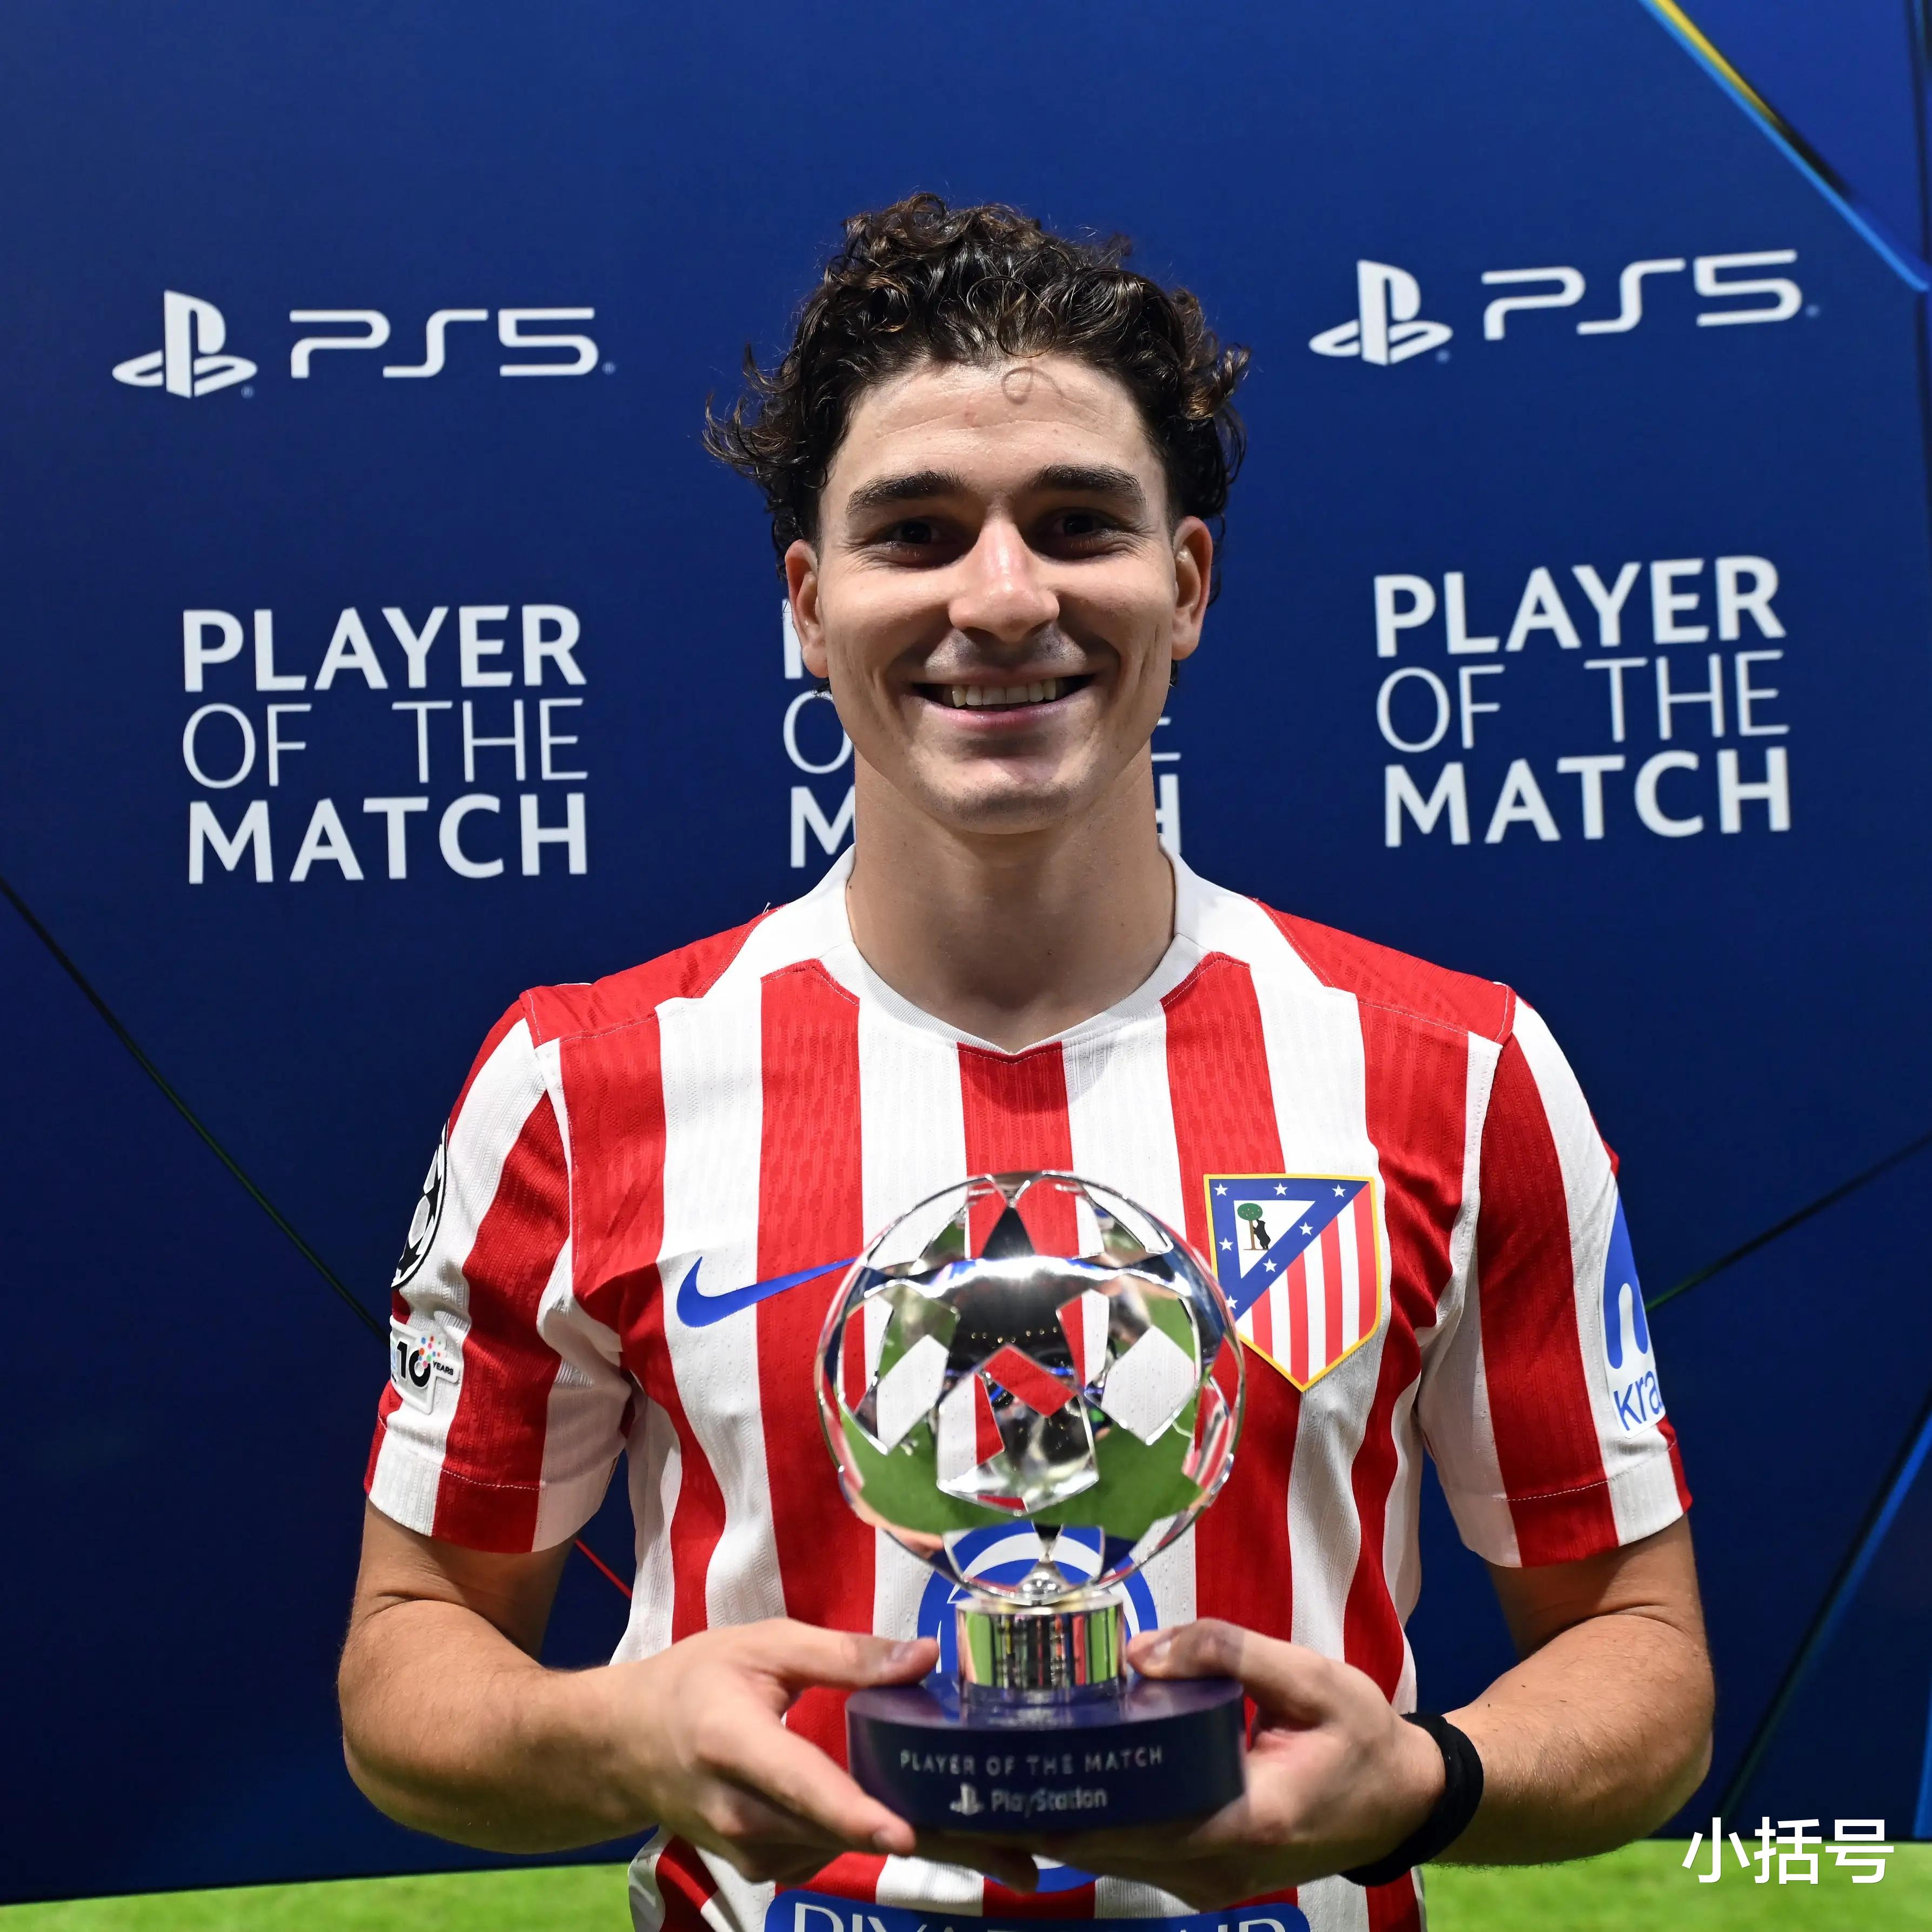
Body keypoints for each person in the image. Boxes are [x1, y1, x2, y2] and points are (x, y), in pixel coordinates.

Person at [338, 195, 1713, 1932]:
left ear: (1186, 584)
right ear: (810, 604)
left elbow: (1638, 1652)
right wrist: (624, 1736)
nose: (1002, 598)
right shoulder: (582, 1082)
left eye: (1077, 524)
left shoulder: (1456, 1071)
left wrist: (1421, 1785)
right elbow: (411, 1656)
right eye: (916, 534)